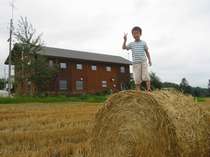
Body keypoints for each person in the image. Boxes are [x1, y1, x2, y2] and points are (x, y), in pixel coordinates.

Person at [122, 26, 152, 91]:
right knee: (137, 79)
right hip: (135, 63)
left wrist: (149, 60)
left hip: (143, 62)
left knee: (146, 76)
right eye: (134, 33)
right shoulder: (131, 44)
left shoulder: (143, 43)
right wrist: (125, 40)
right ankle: (138, 93)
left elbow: (147, 52)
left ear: (140, 34)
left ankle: (149, 89)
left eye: (137, 33)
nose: (136, 35)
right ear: (132, 35)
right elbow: (123, 47)